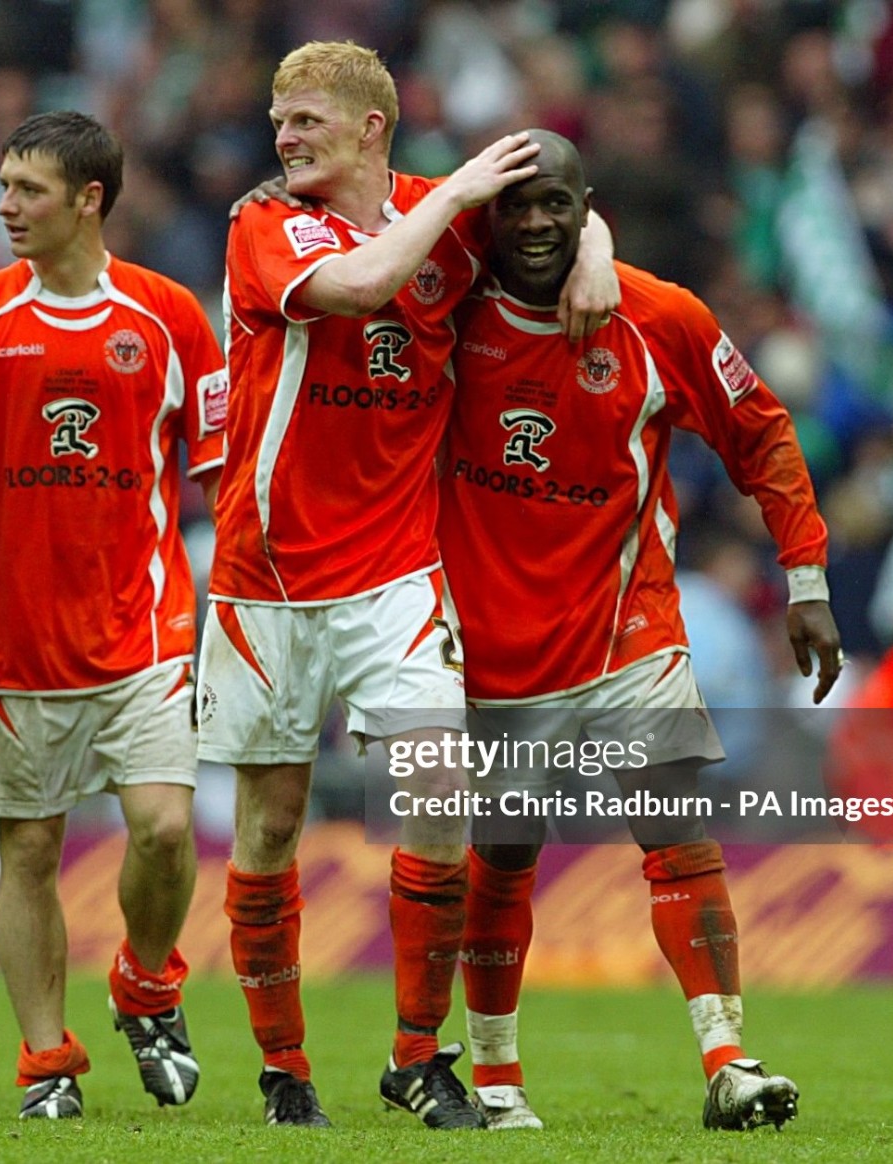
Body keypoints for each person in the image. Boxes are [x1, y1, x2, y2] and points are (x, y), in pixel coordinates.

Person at [198, 43, 620, 1128]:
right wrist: (462, 198)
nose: (283, 140)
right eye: (278, 122)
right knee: (270, 828)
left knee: (438, 803)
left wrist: (595, 257)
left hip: (395, 570)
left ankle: (414, 1057)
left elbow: (559, 217)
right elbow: (363, 282)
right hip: (268, 575)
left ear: (370, 127)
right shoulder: (265, 227)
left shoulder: (450, 210)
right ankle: (285, 1069)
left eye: (305, 122)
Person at [440, 130, 842, 1131]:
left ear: (586, 207)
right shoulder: (439, 301)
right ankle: (494, 1081)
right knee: (502, 852)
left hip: (629, 625)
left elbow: (761, 432)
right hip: (491, 642)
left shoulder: (660, 317)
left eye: (558, 206)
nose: (535, 223)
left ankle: (728, 1060)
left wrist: (806, 578)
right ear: (485, 212)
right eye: (516, 206)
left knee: (675, 832)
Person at [0, 111, 225, 1122]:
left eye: (26, 190)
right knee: (28, 851)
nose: (5, 207)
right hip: (15, 636)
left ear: (89, 198)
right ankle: (47, 1066)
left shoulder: (169, 317)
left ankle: (148, 984)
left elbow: (222, 472)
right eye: (1, 187)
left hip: (146, 626)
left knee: (165, 831)